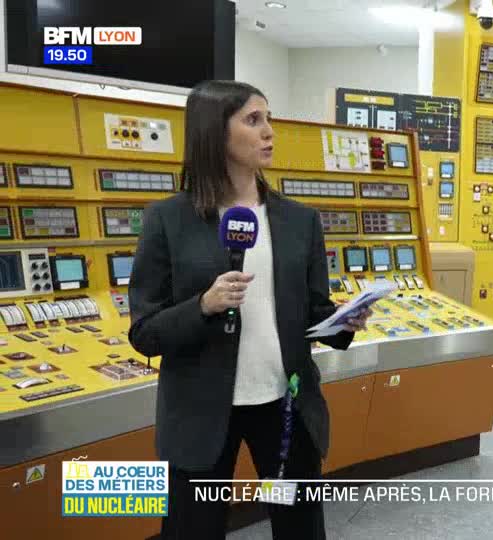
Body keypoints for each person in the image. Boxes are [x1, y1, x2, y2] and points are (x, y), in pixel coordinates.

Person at [128, 80, 371, 540]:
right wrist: (203, 305)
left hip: (284, 408)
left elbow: (314, 311)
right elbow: (145, 331)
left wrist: (343, 322)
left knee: (297, 527)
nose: (269, 133)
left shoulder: (300, 220)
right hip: (200, 414)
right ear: (215, 132)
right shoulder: (168, 219)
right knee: (194, 530)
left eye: (269, 119)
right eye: (254, 120)